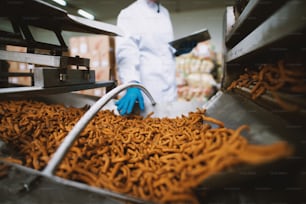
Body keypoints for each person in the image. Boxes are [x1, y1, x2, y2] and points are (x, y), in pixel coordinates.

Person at [115, 0, 177, 115]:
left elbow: (162, 49)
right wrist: (131, 83)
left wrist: (178, 50)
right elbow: (126, 52)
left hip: (170, 91)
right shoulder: (130, 13)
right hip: (148, 91)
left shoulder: (164, 12)